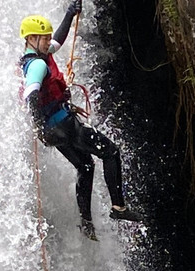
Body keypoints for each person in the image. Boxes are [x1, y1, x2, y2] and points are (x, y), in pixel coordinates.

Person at [19, 2, 143, 240]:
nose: (48, 42)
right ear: (32, 39)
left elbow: (58, 41)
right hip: (65, 125)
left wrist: (69, 14)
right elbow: (31, 94)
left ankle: (86, 222)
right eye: (44, 38)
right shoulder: (36, 64)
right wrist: (36, 125)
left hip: (54, 131)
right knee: (111, 152)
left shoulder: (35, 56)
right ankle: (119, 208)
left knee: (85, 166)